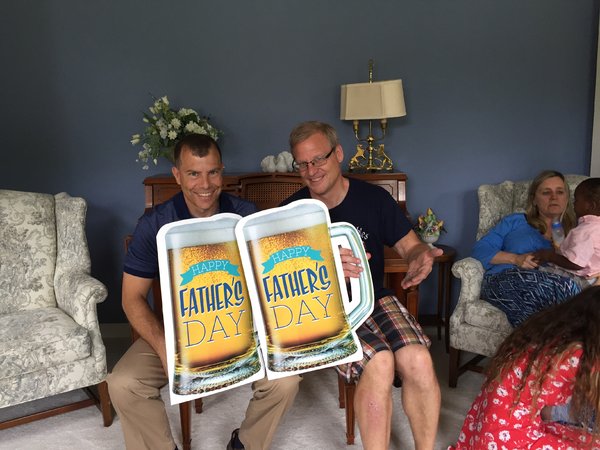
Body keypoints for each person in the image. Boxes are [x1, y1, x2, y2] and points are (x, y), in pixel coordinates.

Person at [106, 133, 300, 450]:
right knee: (124, 383)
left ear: (222, 171)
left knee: (286, 379)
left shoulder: (246, 215)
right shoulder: (154, 224)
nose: (205, 184)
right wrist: (164, 347)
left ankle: (245, 444)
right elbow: (131, 298)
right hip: (179, 334)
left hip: (241, 329)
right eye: (193, 173)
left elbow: (276, 275)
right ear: (177, 175)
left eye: (212, 172)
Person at [281, 121, 442, 450]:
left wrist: (420, 256)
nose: (312, 171)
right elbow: (278, 283)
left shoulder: (374, 199)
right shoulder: (290, 214)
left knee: (418, 359)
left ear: (338, 153)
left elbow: (410, 246)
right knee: (380, 362)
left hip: (374, 298)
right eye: (303, 164)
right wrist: (322, 267)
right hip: (325, 308)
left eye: (319, 159)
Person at [449, 286, 600, 449]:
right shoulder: (577, 355)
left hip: (485, 431)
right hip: (507, 440)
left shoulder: (548, 337)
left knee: (579, 436)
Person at [472, 169, 581, 327]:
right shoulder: (516, 221)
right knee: (563, 289)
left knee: (553, 305)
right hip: (503, 278)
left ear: (567, 198)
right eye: (546, 192)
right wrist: (516, 259)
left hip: (550, 286)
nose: (554, 197)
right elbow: (479, 250)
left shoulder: (577, 232)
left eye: (560, 192)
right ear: (534, 199)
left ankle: (539, 341)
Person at [534, 177, 600, 289]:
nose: (573, 204)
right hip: (594, 277)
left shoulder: (585, 231)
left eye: (576, 200)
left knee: (540, 274)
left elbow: (576, 263)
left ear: (590, 206)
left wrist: (550, 256)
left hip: (582, 280)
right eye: (546, 192)